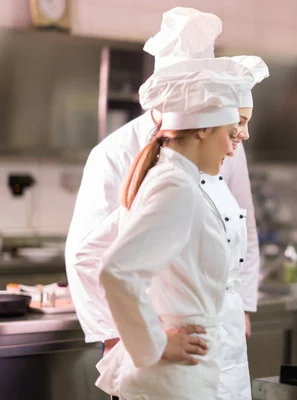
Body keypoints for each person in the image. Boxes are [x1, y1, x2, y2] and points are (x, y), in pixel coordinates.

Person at [64, 8, 261, 361]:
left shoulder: (224, 144)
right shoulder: (119, 155)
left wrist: (240, 303)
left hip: (209, 328)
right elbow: (91, 254)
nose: (237, 139)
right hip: (153, 323)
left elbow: (241, 223)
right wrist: (123, 336)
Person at [94, 57, 258, 400]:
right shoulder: (176, 185)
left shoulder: (179, 178)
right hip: (171, 378)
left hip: (187, 373)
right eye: (230, 134)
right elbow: (117, 272)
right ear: (202, 129)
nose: (232, 147)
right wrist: (156, 343)